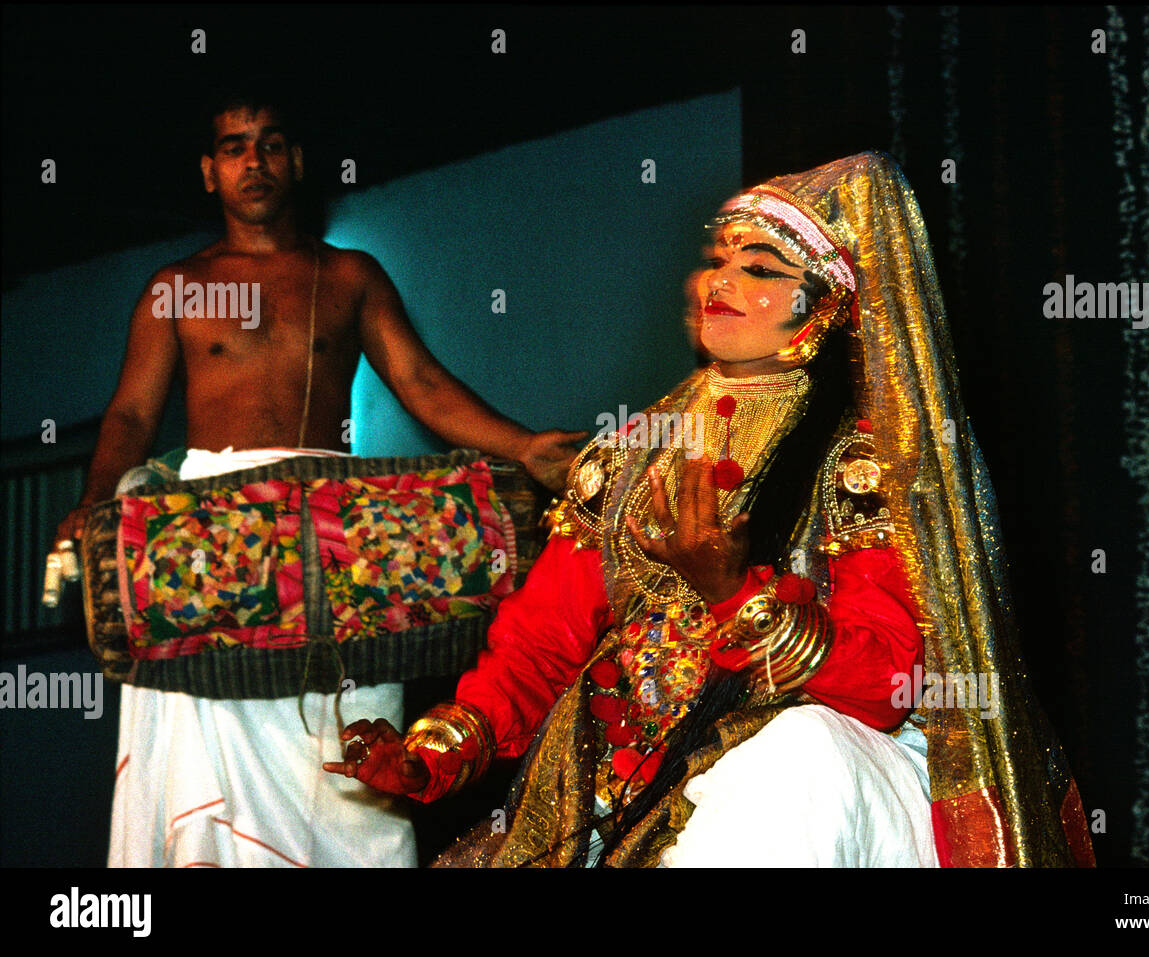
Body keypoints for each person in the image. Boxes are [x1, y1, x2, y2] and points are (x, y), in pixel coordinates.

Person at [328, 151, 1096, 867]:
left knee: (794, 760)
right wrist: (434, 751)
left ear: (825, 310)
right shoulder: (635, 454)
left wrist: (737, 598)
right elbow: (541, 643)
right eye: (719, 258)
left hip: (810, 784)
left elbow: (887, 678)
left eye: (758, 266)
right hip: (613, 785)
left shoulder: (865, 466)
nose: (719, 279)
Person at [59, 91, 584, 868]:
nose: (254, 161)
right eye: (235, 147)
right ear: (210, 172)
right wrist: (95, 505)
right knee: (212, 781)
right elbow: (131, 417)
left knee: (348, 767)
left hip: (340, 541)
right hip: (209, 546)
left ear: (297, 161)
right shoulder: (176, 287)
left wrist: (526, 445)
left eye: (271, 144)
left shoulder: (349, 276)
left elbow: (424, 384)